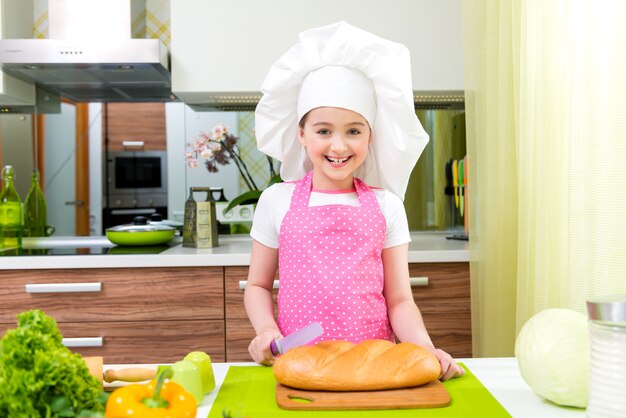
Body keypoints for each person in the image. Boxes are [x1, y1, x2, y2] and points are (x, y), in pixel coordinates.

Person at [244, 21, 465, 380]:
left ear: (369, 136)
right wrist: (266, 331)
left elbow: (399, 300)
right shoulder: (276, 201)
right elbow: (257, 286)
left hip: (375, 366)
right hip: (298, 363)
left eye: (353, 131)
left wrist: (424, 349)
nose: (339, 145)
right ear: (302, 134)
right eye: (323, 130)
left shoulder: (388, 205)